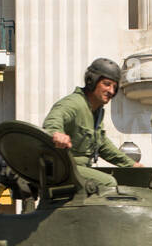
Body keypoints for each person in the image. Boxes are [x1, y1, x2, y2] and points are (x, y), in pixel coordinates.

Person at [42, 57, 140, 196]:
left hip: (80, 170)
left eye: (114, 87)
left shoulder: (96, 111)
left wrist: (131, 165)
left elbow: (102, 145)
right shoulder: (74, 103)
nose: (111, 91)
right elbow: (54, 120)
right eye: (106, 84)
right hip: (66, 169)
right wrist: (56, 134)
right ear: (91, 81)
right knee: (109, 183)